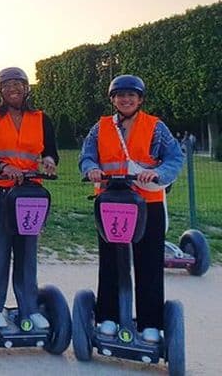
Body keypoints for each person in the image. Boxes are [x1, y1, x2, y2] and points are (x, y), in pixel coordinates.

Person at [79, 74, 183, 343]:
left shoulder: (156, 126)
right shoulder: (100, 127)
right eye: (120, 95)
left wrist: (158, 173)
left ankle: (150, 322)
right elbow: (87, 156)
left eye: (131, 95)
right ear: (113, 99)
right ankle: (108, 318)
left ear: (140, 99)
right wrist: (91, 169)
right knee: (110, 262)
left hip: (148, 203)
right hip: (112, 202)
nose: (126, 99)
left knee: (149, 263)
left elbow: (175, 157)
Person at [0, 67, 58, 330]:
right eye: (7, 85)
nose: (13, 89)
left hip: (30, 190)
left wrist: (49, 160)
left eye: (18, 84)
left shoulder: (41, 119)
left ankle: (29, 308)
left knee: (27, 249)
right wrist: (3, 166)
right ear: (0, 90)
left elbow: (51, 151)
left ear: (26, 88)